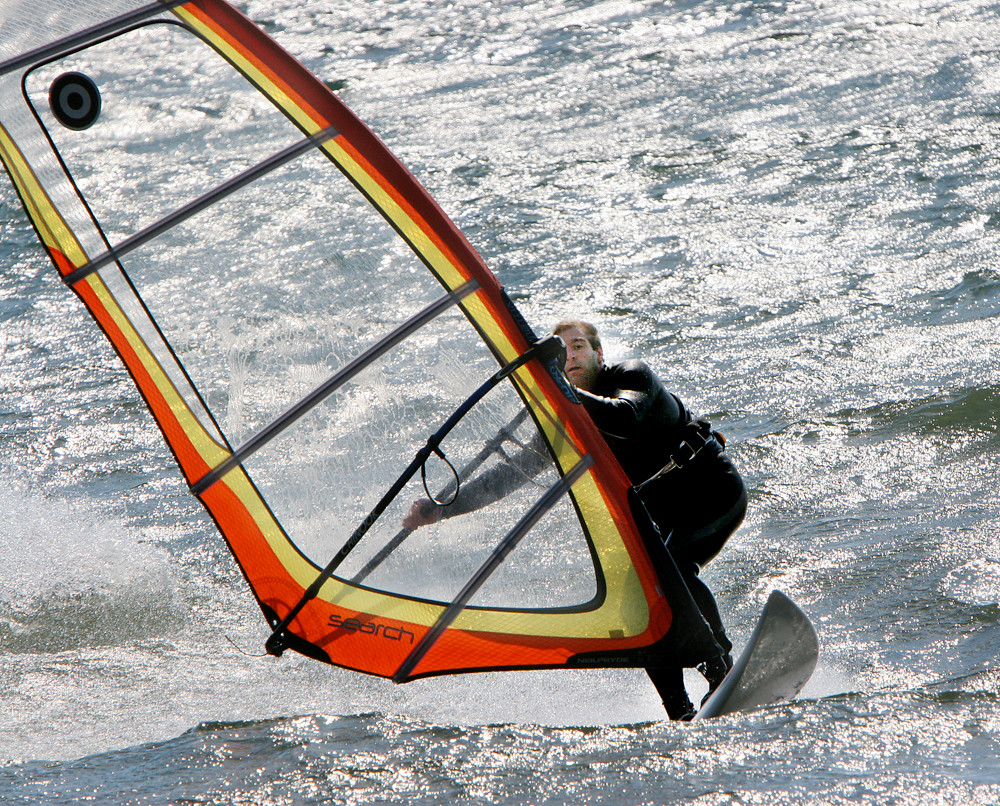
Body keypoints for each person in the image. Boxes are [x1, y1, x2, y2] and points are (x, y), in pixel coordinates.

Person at [404, 320, 747, 721]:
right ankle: (679, 709)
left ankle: (720, 671)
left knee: (675, 571)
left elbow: (626, 417)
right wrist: (443, 506)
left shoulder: (633, 376)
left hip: (711, 491)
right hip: (662, 511)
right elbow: (510, 475)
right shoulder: (565, 422)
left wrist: (563, 393)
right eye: (561, 351)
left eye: (579, 346)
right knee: (639, 600)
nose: (570, 355)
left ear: (599, 355)